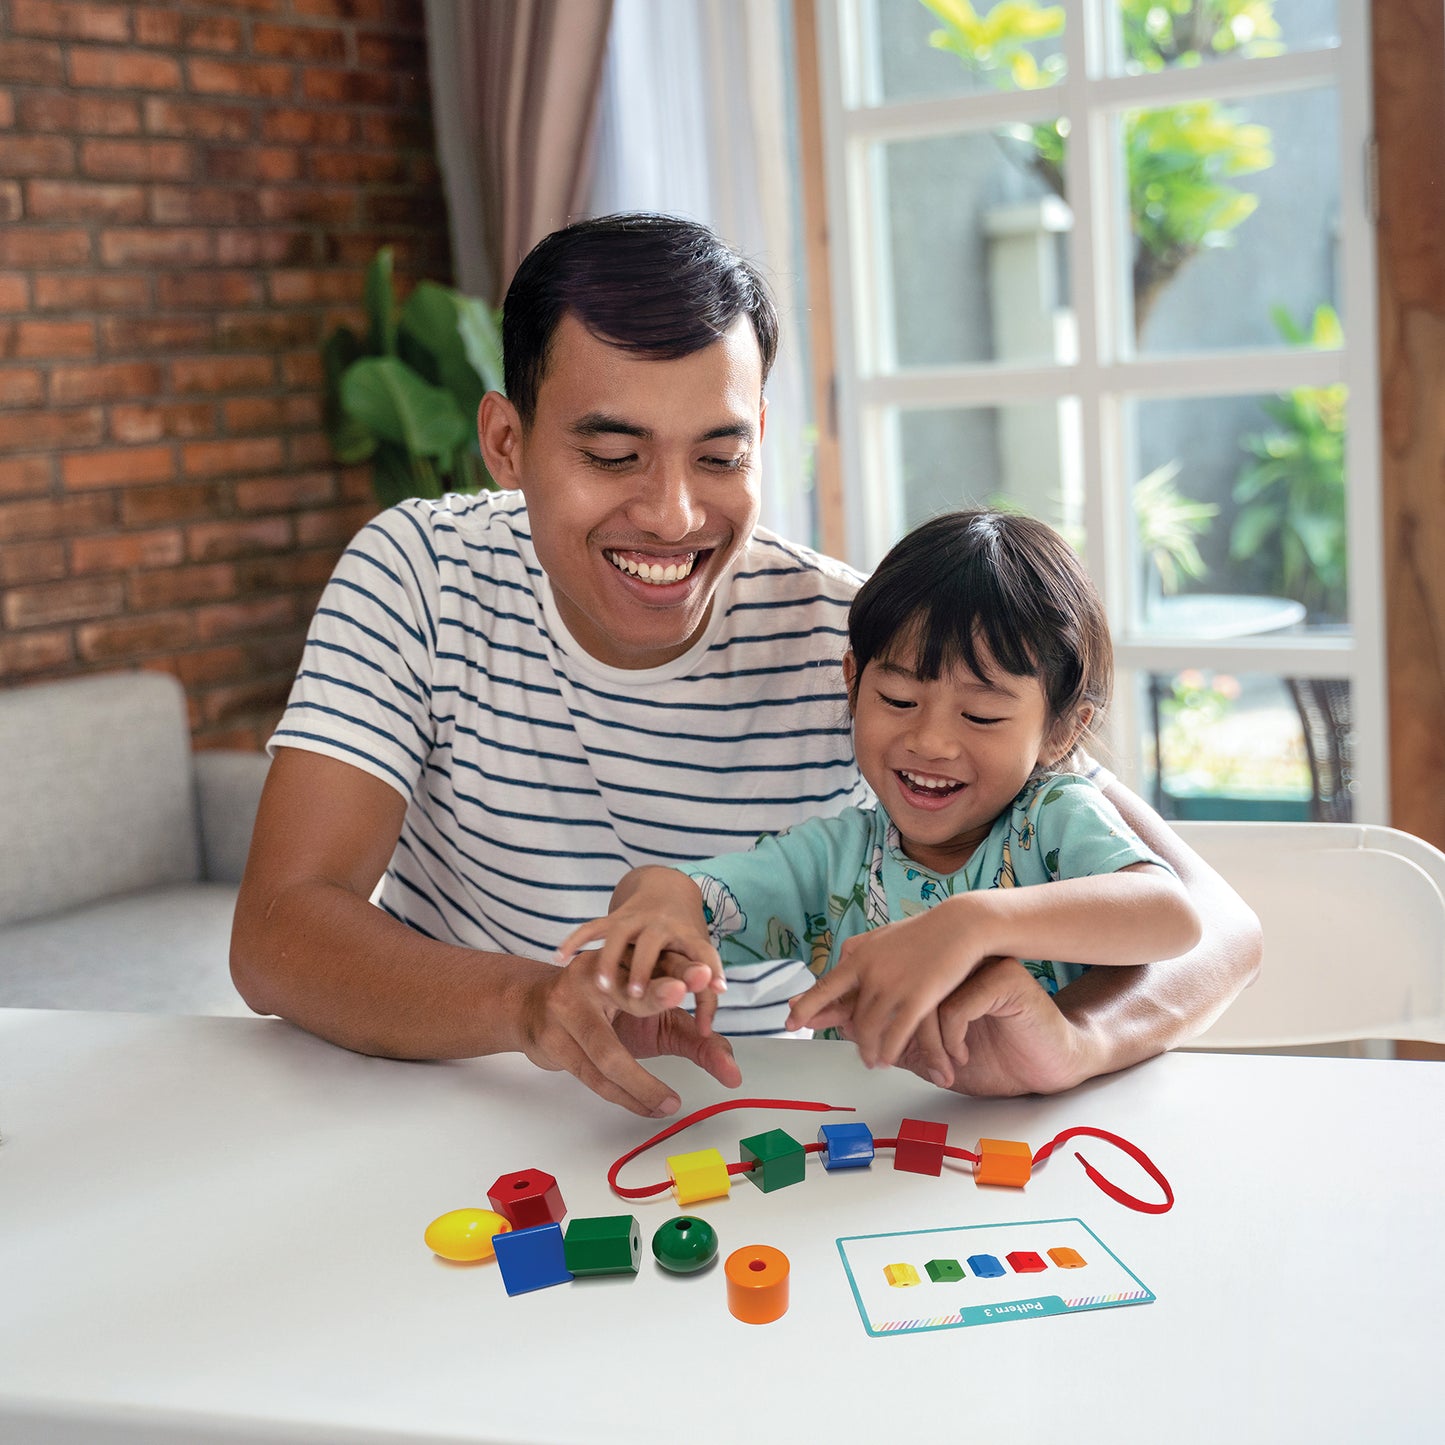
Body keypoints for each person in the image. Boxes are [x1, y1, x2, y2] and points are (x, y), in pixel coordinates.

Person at [231, 212, 1260, 1119]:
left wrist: (1068, 1042)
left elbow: (1215, 923)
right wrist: (532, 1005)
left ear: (763, 437)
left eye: (719, 456)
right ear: (505, 439)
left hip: (756, 1116)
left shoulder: (870, 651)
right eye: (611, 454)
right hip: (456, 1104)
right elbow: (279, 930)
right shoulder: (418, 572)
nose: (674, 514)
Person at [558, 510, 1203, 1086]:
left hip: (1048, 1144)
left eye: (979, 716)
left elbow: (1171, 915)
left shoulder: (1054, 821)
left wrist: (972, 923)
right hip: (869, 1155)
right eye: (897, 701)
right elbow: (690, 897)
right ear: (853, 683)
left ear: (1062, 729)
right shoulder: (832, 861)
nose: (930, 741)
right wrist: (654, 907)